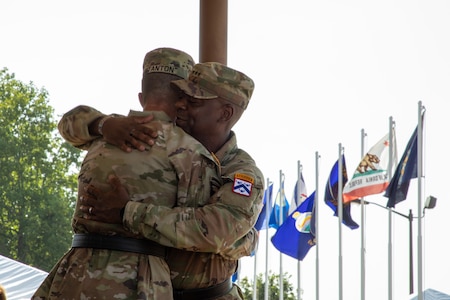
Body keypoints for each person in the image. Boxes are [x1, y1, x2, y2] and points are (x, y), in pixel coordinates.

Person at [58, 62, 264, 299]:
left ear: (225, 113)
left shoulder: (241, 172)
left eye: (193, 101)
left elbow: (217, 230)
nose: (180, 105)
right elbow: (70, 121)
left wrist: (129, 212)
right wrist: (103, 125)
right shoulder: (157, 141)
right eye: (181, 97)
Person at [33, 47, 222, 299]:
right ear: (183, 100)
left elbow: (68, 121)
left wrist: (102, 123)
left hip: (74, 272)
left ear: (142, 96)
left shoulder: (105, 134)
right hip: (139, 279)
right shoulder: (190, 153)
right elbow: (199, 231)